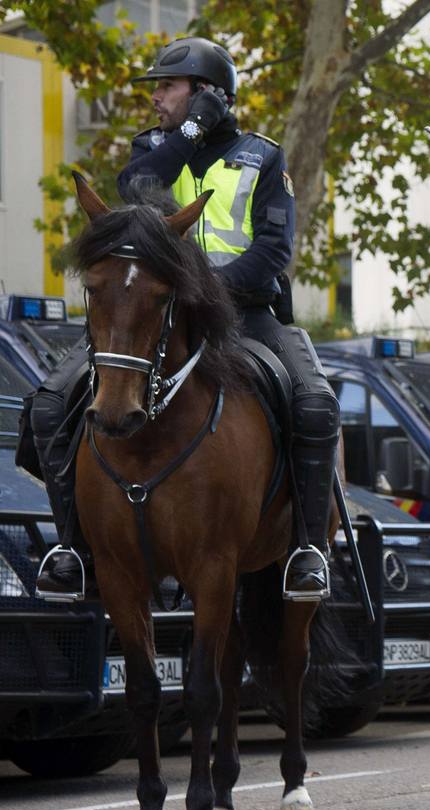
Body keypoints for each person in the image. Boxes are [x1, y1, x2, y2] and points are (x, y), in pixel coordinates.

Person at [29, 36, 337, 602]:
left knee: (315, 404)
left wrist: (206, 290)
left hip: (247, 314)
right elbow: (136, 189)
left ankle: (306, 550)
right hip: (151, 314)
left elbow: (273, 249)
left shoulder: (264, 156)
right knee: (50, 402)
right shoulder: (153, 148)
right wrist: (189, 129)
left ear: (204, 94)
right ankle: (72, 547)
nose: (155, 99)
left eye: (166, 87)